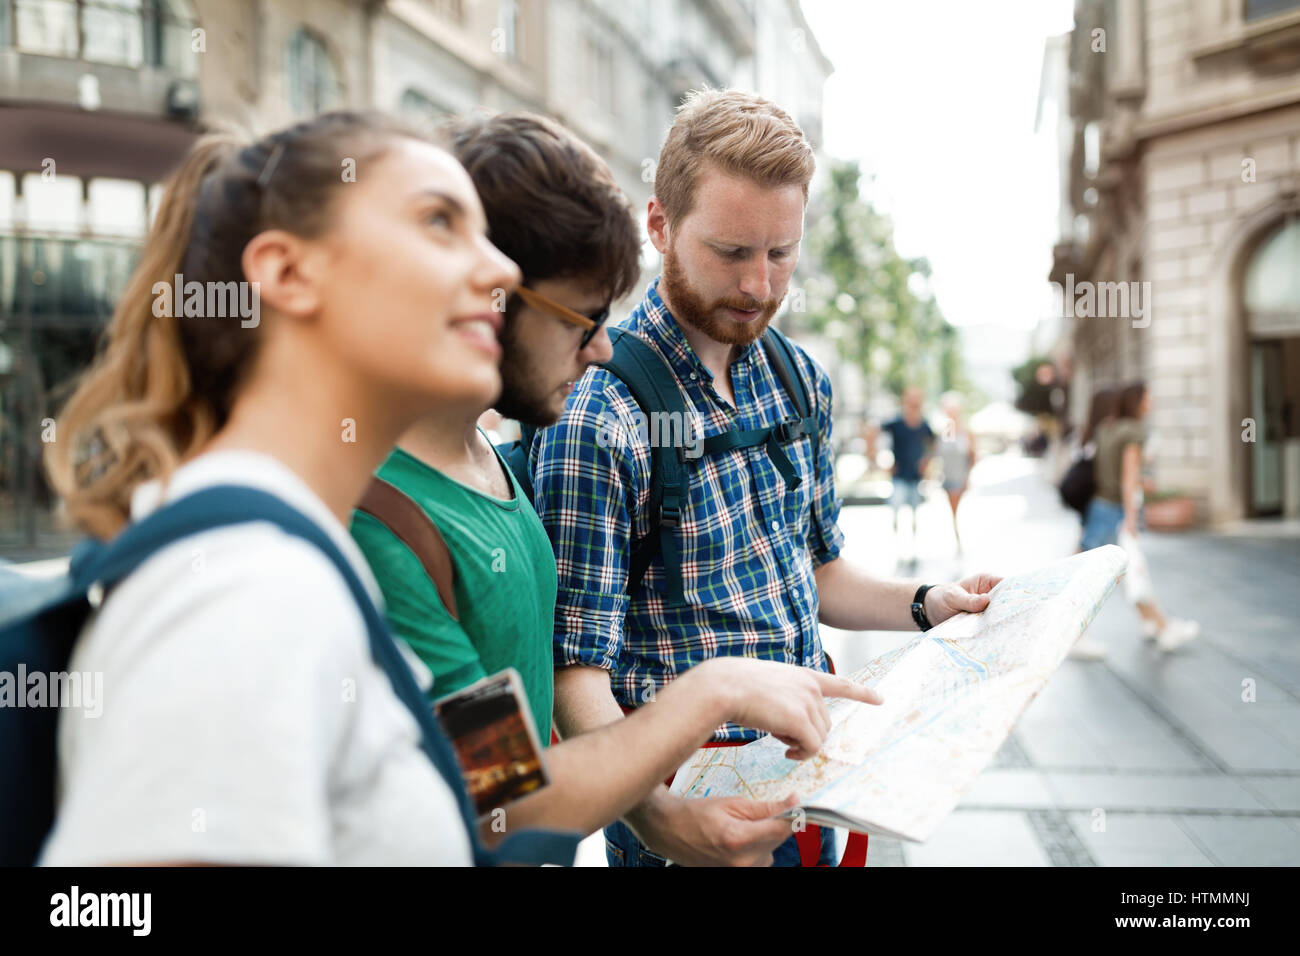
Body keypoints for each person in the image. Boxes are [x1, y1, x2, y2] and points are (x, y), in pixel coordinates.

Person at [348, 111, 880, 851]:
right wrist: (707, 705)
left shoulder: (491, 471)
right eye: (584, 317)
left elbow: (519, 759)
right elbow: (501, 792)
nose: (604, 349)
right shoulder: (383, 522)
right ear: (483, 296)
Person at [530, 89, 1002, 867]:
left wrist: (928, 605)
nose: (758, 285)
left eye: (781, 253)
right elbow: (575, 666)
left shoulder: (798, 378)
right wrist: (654, 816)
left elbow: (817, 573)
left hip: (813, 772)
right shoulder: (600, 410)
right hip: (689, 803)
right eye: (730, 252)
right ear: (660, 226)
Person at [38, 112, 522, 865]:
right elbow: (512, 792)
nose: (502, 271)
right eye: (438, 221)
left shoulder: (310, 541)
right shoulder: (250, 584)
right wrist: (693, 712)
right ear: (288, 273)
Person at [1081, 382, 1198, 653]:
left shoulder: (1107, 428)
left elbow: (1110, 471)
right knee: (1121, 572)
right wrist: (1132, 518)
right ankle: (1163, 627)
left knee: (1117, 572)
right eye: (1148, 396)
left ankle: (1152, 623)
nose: (1152, 400)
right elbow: (1128, 477)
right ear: (1138, 401)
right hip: (1115, 510)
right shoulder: (1133, 432)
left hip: (1099, 506)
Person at [1066, 387, 1119, 661]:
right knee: (1087, 575)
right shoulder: (1105, 436)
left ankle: (1156, 623)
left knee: (1088, 570)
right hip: (1102, 510)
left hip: (1091, 510)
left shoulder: (1086, 434)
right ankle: (1074, 635)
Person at [882, 386, 936, 566]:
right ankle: (896, 546)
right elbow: (874, 432)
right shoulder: (896, 422)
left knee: (914, 513)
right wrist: (877, 459)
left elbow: (932, 444)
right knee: (896, 510)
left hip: (915, 477)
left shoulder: (923, 424)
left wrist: (926, 462)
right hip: (898, 476)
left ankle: (913, 547)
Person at [936, 392, 975, 554]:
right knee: (952, 512)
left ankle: (960, 540)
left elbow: (973, 457)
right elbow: (939, 454)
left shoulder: (966, 431)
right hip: (947, 477)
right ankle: (957, 539)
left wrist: (967, 477)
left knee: (958, 511)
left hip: (961, 477)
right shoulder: (946, 431)